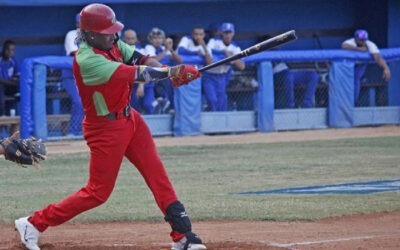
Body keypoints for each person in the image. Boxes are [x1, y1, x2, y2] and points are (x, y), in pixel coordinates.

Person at [14, 4, 206, 250]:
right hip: (104, 129)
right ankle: (33, 223)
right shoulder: (87, 60)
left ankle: (183, 235)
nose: (113, 35)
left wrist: (169, 72)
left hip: (131, 120)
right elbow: (138, 73)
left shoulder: (111, 43)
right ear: (91, 34)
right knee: (97, 193)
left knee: (157, 175)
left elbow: (143, 60)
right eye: (107, 31)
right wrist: (174, 72)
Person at [202, 23, 245, 111]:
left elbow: (242, 66)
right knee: (212, 100)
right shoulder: (213, 42)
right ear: (221, 33)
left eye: (230, 32)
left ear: (233, 34)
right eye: (226, 32)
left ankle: (218, 123)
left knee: (221, 102)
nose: (228, 35)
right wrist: (227, 55)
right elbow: (208, 60)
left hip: (222, 77)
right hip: (209, 76)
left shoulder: (235, 47)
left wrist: (230, 57)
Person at [341, 29, 391, 105]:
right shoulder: (350, 42)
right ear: (356, 39)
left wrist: (386, 68)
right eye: (361, 40)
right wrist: (359, 49)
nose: (363, 42)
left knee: (356, 78)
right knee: (345, 81)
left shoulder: (370, 44)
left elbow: (377, 57)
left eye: (365, 40)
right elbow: (344, 46)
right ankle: (345, 102)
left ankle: (352, 102)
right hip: (348, 65)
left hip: (360, 65)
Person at [63, 13, 84, 135]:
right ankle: (73, 132)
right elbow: (73, 52)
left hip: (85, 76)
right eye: (80, 22)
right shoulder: (71, 34)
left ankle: (85, 130)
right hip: (70, 75)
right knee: (78, 101)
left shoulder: (92, 36)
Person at [0, 40, 19, 117]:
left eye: (12, 50)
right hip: (1, 87)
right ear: (3, 49)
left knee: (22, 84)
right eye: (8, 49)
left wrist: (13, 82)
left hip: (9, 86)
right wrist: (11, 81)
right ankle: (2, 114)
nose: (10, 52)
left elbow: (18, 77)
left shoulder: (13, 60)